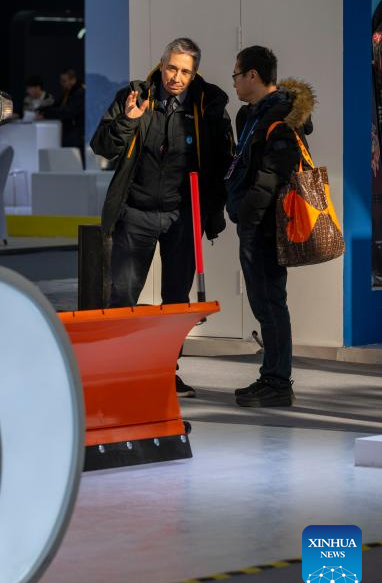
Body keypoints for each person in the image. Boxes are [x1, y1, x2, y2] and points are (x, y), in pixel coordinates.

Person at [91, 37, 234, 398]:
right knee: (122, 295)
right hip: (135, 214)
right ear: (161, 64)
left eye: (185, 71)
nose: (176, 77)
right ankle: (120, 371)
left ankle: (166, 372)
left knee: (176, 300)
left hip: (182, 217)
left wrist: (212, 211)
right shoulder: (135, 96)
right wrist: (128, 120)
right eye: (172, 68)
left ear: (194, 73)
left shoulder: (207, 104)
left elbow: (222, 162)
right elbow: (101, 146)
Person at [226, 46, 312, 407]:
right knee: (265, 301)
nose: (233, 82)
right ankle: (273, 377)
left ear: (252, 75)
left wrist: (248, 211)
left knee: (270, 302)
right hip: (254, 223)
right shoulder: (250, 115)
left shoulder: (279, 115)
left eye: (236, 75)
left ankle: (277, 381)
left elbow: (274, 171)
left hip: (264, 225)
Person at [42, 68, 85, 149]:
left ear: (73, 80)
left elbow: (68, 111)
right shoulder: (68, 92)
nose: (62, 84)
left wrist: (46, 114)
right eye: (61, 81)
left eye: (64, 81)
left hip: (77, 135)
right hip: (70, 134)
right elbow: (57, 106)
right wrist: (43, 111)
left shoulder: (80, 93)